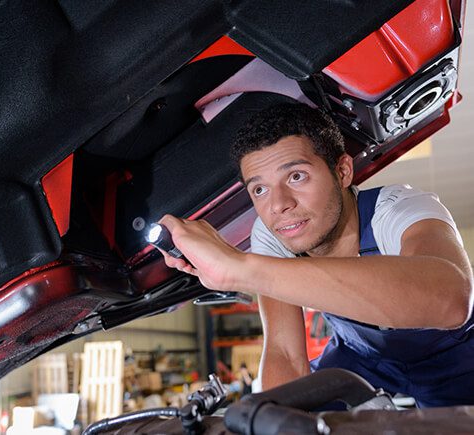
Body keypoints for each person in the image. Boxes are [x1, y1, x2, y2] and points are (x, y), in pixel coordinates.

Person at [158, 100, 474, 407]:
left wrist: (242, 270)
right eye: (260, 189)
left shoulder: (401, 209)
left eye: (296, 177)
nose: (279, 204)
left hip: (454, 358)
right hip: (360, 357)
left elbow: (450, 300)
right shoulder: (273, 235)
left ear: (343, 172)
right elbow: (284, 351)